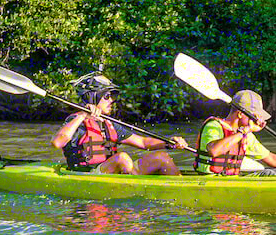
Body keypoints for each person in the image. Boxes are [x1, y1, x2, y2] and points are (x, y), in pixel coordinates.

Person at [52, 73, 186, 175]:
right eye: (107, 96)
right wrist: (83, 114)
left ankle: (182, 187)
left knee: (161, 157)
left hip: (109, 171)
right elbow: (57, 142)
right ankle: (139, 191)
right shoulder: (76, 121)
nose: (112, 100)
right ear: (92, 97)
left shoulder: (108, 124)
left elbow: (143, 142)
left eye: (113, 96)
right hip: (87, 174)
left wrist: (168, 143)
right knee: (122, 158)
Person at [197, 90, 276, 176]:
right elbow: (214, 150)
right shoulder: (214, 126)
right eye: (254, 116)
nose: (258, 120)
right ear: (240, 114)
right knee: (269, 175)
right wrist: (246, 130)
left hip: (233, 180)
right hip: (211, 181)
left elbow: (271, 159)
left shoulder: (245, 135)